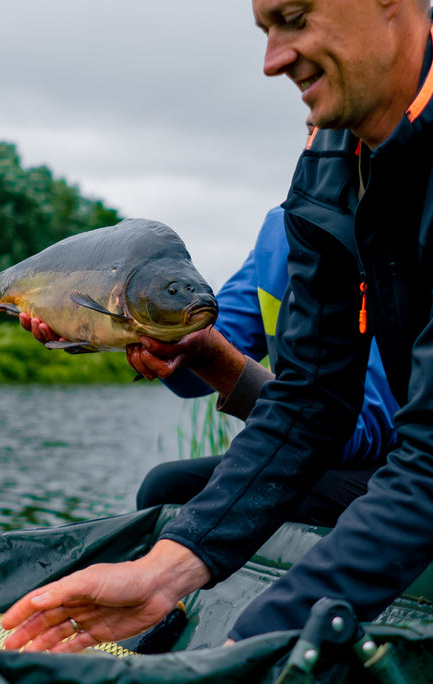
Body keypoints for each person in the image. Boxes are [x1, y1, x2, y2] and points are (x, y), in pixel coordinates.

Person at [2, 0, 433, 679]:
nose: (271, 59)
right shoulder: (333, 160)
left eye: (293, 20)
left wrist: (241, 655)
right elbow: (310, 403)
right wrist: (164, 572)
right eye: (265, 27)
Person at [134, 203, 398, 525]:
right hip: (313, 444)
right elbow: (197, 371)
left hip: (408, 465)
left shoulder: (402, 222)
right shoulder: (281, 225)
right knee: (166, 488)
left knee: (264, 498)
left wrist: (215, 359)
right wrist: (145, 327)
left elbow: (356, 434)